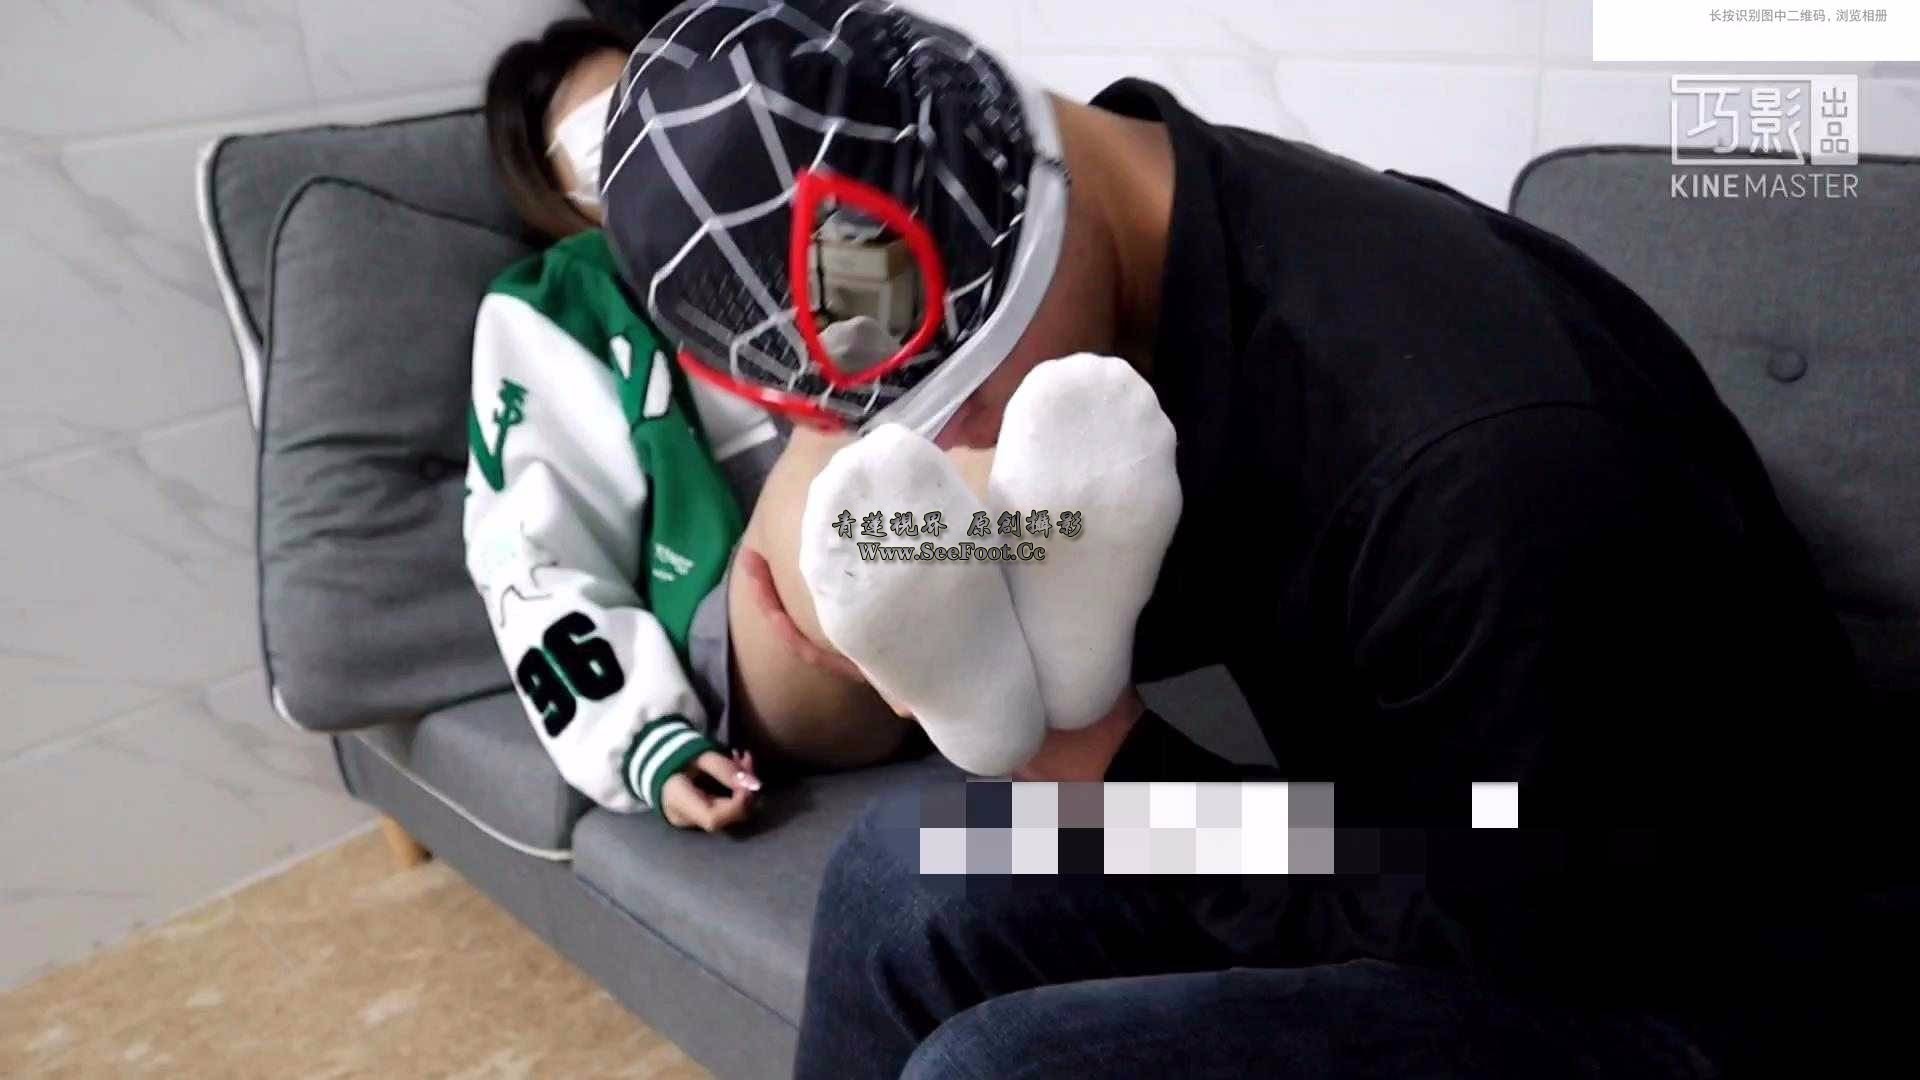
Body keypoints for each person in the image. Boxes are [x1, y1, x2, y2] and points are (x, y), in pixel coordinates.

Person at [598, 1, 1909, 1076]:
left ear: (1037, 217)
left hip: (1672, 955)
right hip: (1425, 827)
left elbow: (1520, 902)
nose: (965, 449)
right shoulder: (1163, 245)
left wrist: (1112, 775)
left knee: (999, 1071)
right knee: (906, 874)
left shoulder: (1475, 461)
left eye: (969, 395)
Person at [466, 16, 927, 833]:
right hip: (763, 626)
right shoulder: (556, 305)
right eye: (604, 127)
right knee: (841, 428)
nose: (651, 132)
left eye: (666, 96)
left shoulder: (823, 200)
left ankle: (1133, 815)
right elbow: (531, 547)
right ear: (554, 187)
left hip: (935, 551)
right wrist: (641, 735)